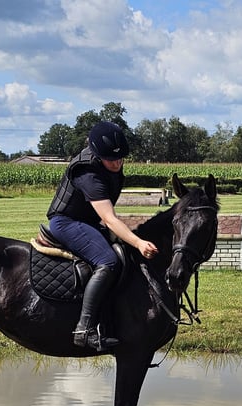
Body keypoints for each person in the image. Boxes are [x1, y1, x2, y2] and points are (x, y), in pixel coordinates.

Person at [46, 121, 159, 351]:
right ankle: (84, 329)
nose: (116, 163)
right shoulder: (87, 172)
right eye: (110, 159)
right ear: (98, 155)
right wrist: (138, 242)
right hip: (66, 222)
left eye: (120, 158)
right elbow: (109, 219)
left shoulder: (110, 162)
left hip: (87, 222)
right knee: (108, 261)